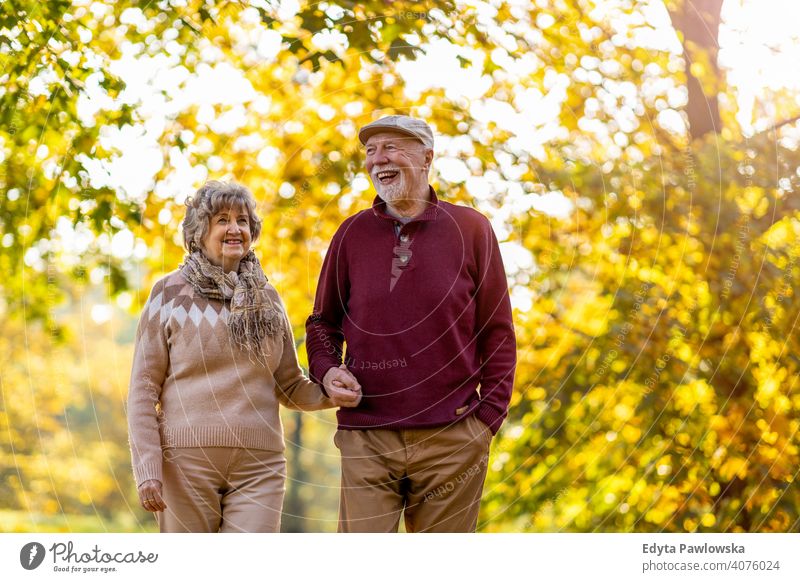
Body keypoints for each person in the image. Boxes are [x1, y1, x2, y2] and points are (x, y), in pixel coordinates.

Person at [305, 115, 516, 532]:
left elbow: (497, 331)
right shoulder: (351, 234)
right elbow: (322, 324)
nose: (377, 160)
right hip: (367, 435)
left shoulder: (472, 229)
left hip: (453, 437)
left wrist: (487, 418)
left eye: (391, 147)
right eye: (369, 151)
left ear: (427, 157)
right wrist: (327, 372)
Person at [127, 180, 360, 533]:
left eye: (243, 220)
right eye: (222, 220)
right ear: (198, 232)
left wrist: (331, 391)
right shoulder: (168, 294)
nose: (235, 228)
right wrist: (148, 469)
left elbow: (289, 384)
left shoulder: (267, 298)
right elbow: (142, 391)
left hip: (260, 465)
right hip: (186, 462)